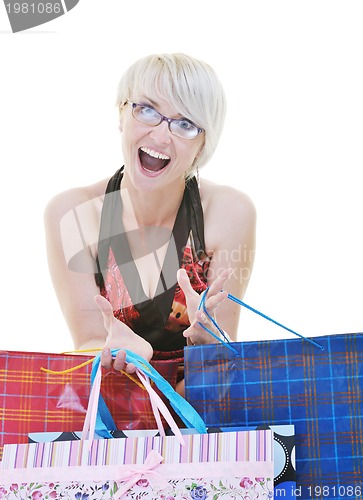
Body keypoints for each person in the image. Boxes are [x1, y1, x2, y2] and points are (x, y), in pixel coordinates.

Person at [44, 53, 256, 395]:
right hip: (114, 410)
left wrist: (210, 347)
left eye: (185, 123)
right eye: (147, 110)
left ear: (203, 145)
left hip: (198, 413)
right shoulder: (72, 213)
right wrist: (128, 361)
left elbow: (222, 362)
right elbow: (88, 345)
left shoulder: (229, 212)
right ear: (121, 115)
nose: (160, 135)